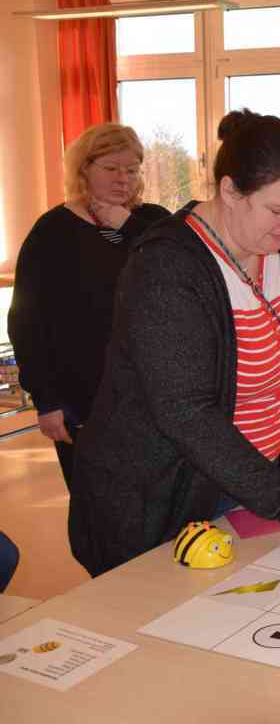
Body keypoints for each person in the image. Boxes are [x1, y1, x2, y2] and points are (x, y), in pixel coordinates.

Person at [68, 110, 280, 577]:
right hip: (165, 497)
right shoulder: (166, 268)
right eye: (276, 210)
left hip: (250, 483)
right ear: (230, 191)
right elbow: (184, 410)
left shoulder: (276, 251)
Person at [8, 124, 169, 490]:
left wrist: (127, 225)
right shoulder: (52, 231)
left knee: (158, 501)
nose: (123, 179)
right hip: (83, 399)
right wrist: (46, 400)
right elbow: (26, 323)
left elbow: (180, 269)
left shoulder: (154, 222)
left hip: (153, 397)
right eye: (111, 168)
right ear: (84, 169)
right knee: (96, 502)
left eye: (132, 170)